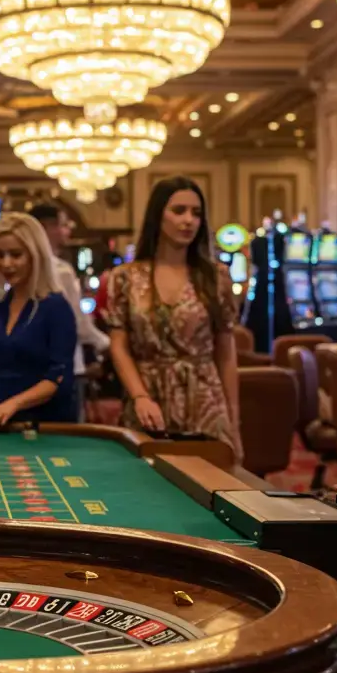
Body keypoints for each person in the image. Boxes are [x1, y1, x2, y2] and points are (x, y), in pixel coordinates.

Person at [104, 176, 242, 460]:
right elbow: (119, 346)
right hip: (147, 397)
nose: (189, 220)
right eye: (178, 211)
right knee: (145, 490)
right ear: (158, 215)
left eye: (196, 213)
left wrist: (233, 419)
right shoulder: (126, 278)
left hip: (204, 398)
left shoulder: (215, 277)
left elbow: (226, 351)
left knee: (212, 488)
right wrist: (140, 396)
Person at [0, 213, 77, 426]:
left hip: (46, 425)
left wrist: (12, 404)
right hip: (5, 421)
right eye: (0, 255)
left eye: (15, 254)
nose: (6, 263)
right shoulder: (2, 304)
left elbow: (57, 378)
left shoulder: (56, 307)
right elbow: (2, 371)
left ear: (35, 255)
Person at [30, 203, 112, 421]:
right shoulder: (61, 271)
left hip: (33, 371)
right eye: (64, 225)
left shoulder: (26, 267)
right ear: (46, 228)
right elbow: (78, 325)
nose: (68, 231)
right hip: (66, 369)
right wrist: (109, 345)